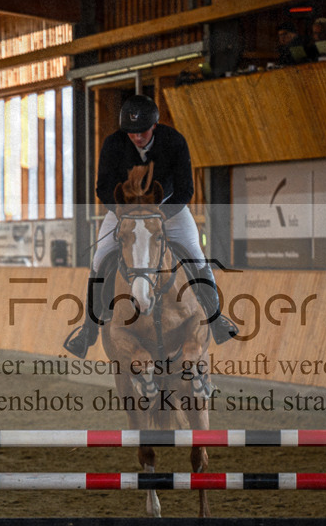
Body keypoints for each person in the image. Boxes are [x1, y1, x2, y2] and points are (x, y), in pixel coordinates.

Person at [63, 94, 239, 359]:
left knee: (195, 252)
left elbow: (185, 190)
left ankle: (216, 320)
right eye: (131, 132)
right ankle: (87, 332)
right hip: (125, 213)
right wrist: (122, 211)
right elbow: (102, 188)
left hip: (169, 210)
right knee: (99, 259)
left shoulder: (174, 142)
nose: (136, 137)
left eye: (142, 131)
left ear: (154, 126)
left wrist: (158, 216)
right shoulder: (113, 144)